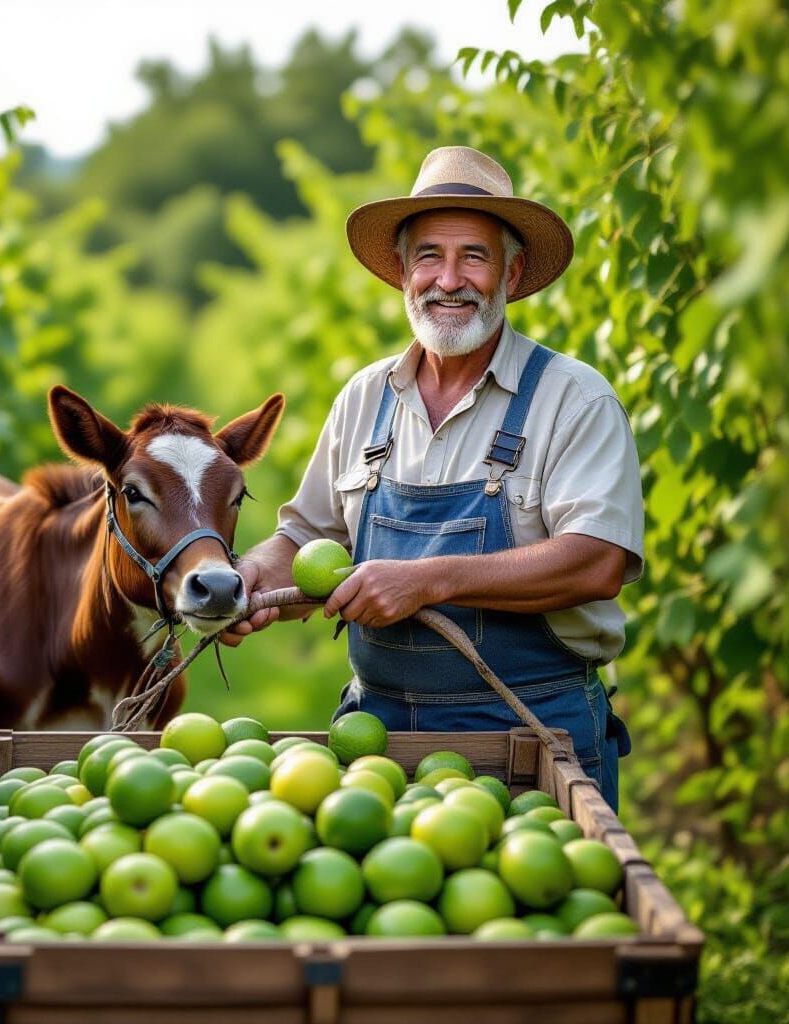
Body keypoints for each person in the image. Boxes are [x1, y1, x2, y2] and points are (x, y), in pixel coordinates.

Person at [224, 146, 640, 812]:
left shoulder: (573, 399)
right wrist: (251, 580)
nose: (450, 279)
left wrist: (427, 579)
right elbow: (305, 541)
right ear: (401, 272)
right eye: (429, 256)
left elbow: (597, 562)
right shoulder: (364, 398)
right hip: (374, 752)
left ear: (513, 269)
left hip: (532, 736)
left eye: (473, 255)